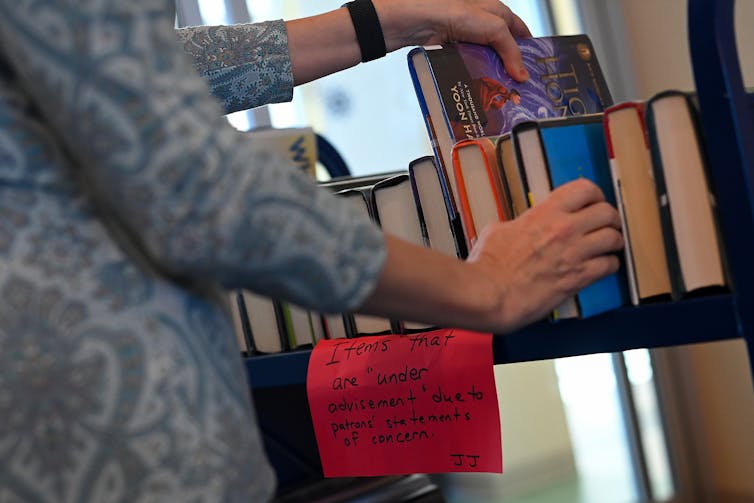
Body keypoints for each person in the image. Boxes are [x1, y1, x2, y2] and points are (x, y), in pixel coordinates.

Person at [0, 0, 623, 501]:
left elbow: (146, 72)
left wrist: (388, 18)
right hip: (104, 423)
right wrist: (485, 287)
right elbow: (195, 185)